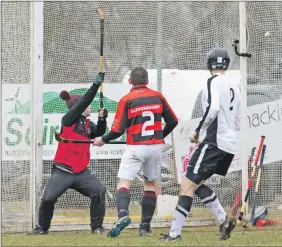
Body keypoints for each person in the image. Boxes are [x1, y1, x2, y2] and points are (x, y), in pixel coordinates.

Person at [161, 48, 241, 242]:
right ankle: (223, 219)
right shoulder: (234, 87)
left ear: (209, 64)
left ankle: (174, 234)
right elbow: (237, 119)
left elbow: (212, 108)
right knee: (196, 184)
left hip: (214, 141)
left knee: (186, 185)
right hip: (228, 144)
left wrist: (197, 131)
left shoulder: (212, 82)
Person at [93, 67, 178, 238]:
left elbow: (117, 130)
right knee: (150, 185)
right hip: (155, 147)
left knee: (124, 184)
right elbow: (173, 121)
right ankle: (145, 228)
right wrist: (160, 136)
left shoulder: (127, 99)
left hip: (135, 148)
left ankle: (123, 214)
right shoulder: (158, 96)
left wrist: (102, 139)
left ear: (130, 81)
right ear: (147, 81)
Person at [30, 73, 108, 235]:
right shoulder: (68, 119)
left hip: (82, 173)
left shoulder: (87, 124)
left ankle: (97, 228)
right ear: (78, 108)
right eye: (86, 105)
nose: (90, 107)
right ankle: (42, 229)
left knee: (99, 191)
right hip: (63, 171)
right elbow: (85, 101)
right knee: (48, 199)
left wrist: (102, 120)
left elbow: (99, 132)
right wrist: (95, 85)